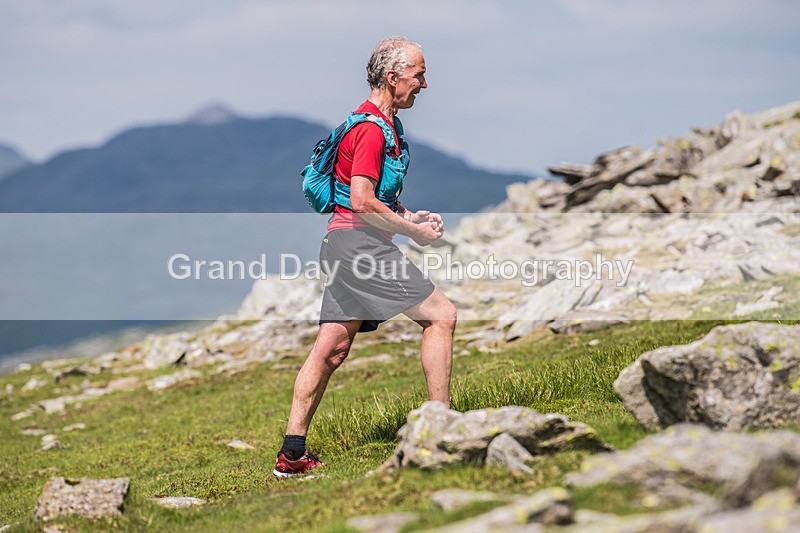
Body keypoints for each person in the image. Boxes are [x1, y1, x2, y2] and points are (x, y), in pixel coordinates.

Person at [273, 37, 458, 477]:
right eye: (419, 74)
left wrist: (409, 216)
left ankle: (292, 456)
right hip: (360, 247)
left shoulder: (379, 126)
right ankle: (443, 429)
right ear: (393, 78)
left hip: (342, 246)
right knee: (442, 317)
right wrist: (415, 233)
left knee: (332, 349)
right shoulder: (372, 130)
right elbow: (360, 201)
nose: (425, 84)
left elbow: (374, 199)